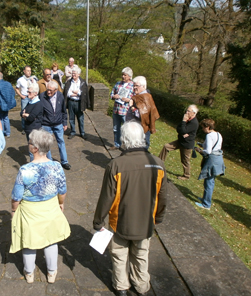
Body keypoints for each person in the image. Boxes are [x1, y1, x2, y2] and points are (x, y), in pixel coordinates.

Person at [93, 121, 167, 296]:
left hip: (120, 222)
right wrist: (159, 217)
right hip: (146, 222)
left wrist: (98, 221)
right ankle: (141, 286)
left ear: (124, 139)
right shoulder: (158, 164)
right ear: (142, 138)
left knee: (119, 255)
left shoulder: (116, 165)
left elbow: (106, 198)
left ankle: (121, 287)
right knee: (141, 255)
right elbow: (162, 197)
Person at [10, 128, 71, 284]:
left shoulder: (25, 170)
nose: (28, 145)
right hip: (50, 206)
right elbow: (62, 190)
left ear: (35, 148)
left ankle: (29, 274)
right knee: (51, 239)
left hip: (30, 210)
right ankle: (51, 273)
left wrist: (14, 210)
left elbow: (16, 196)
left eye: (29, 142)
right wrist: (61, 203)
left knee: (29, 241)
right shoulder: (57, 167)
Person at [158, 104, 199, 180]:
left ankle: (186, 176)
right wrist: (183, 131)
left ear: (194, 113)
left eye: (188, 111)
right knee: (166, 146)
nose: (186, 112)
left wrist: (183, 123)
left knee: (185, 161)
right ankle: (159, 162)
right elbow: (178, 128)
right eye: (186, 110)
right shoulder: (187, 119)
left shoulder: (194, 122)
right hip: (180, 141)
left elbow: (183, 130)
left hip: (186, 144)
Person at [40, 80, 71, 170]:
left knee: (61, 142)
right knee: (47, 144)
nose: (48, 92)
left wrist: (64, 123)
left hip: (58, 124)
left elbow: (63, 111)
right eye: (47, 89)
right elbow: (40, 111)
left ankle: (64, 162)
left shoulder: (60, 96)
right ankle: (49, 162)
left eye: (51, 90)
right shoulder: (42, 96)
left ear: (56, 90)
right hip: (46, 125)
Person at [194, 119, 225, 210]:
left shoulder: (209, 135)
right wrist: (202, 144)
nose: (203, 129)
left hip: (212, 160)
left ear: (208, 127)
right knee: (210, 181)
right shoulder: (218, 134)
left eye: (203, 127)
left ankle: (206, 204)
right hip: (219, 159)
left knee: (209, 182)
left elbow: (208, 151)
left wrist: (199, 150)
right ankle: (205, 199)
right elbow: (215, 146)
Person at [125, 76, 159, 149]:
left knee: (141, 149)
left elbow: (142, 116)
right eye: (133, 85)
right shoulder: (139, 96)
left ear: (143, 86)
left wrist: (132, 107)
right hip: (135, 129)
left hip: (141, 130)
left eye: (136, 85)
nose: (134, 87)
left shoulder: (145, 97)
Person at [110, 67, 134, 150]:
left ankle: (128, 146)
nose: (123, 76)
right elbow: (112, 93)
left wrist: (129, 100)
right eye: (122, 75)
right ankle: (117, 144)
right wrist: (113, 96)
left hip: (125, 111)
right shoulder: (118, 83)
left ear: (130, 76)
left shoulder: (133, 86)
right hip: (116, 110)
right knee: (116, 129)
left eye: (125, 75)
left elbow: (136, 98)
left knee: (127, 130)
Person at [64, 68, 90, 140]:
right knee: (71, 118)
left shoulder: (83, 82)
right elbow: (68, 93)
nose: (73, 75)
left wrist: (77, 93)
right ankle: (72, 132)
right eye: (72, 73)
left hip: (79, 103)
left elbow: (83, 93)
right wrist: (77, 93)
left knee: (80, 119)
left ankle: (82, 133)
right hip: (71, 102)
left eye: (75, 73)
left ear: (79, 74)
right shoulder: (69, 82)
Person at [21, 83, 43, 161]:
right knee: (31, 149)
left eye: (29, 92)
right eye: (28, 91)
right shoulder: (30, 102)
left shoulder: (38, 104)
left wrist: (26, 115)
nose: (28, 93)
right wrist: (25, 115)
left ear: (35, 93)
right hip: (28, 129)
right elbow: (21, 113)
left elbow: (31, 117)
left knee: (35, 149)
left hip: (34, 130)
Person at [0, 72, 16, 138]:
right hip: (7, 104)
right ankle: (8, 132)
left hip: (0, 105)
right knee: (5, 117)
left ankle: (2, 132)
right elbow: (13, 93)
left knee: (0, 119)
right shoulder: (8, 84)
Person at [16, 66, 38, 135]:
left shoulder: (33, 79)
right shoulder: (20, 80)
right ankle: (24, 127)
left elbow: (36, 87)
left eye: (30, 70)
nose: (29, 72)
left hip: (32, 98)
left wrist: (33, 81)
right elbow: (17, 88)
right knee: (24, 112)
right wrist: (21, 95)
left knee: (32, 112)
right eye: (28, 70)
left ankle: (32, 125)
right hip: (25, 98)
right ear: (24, 71)